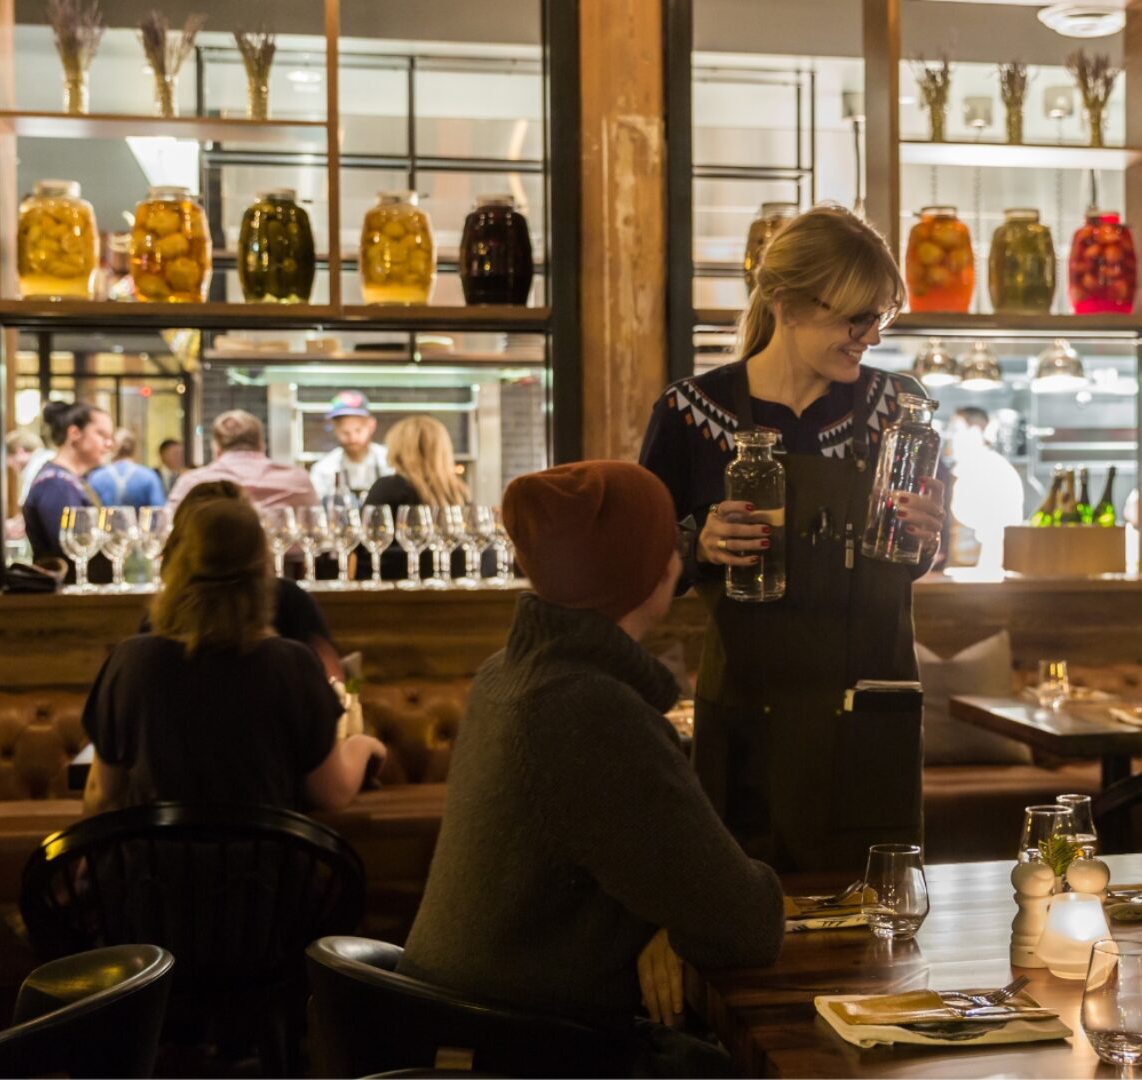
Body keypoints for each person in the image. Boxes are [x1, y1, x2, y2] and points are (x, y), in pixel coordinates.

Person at [399, 461, 782, 1074]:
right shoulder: (586, 709)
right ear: (644, 568)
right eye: (667, 540)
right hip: (531, 1053)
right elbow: (745, 924)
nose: (678, 553)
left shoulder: (508, 674)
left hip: (454, 1036)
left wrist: (665, 920)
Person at [639, 204, 945, 872]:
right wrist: (699, 544)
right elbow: (643, 565)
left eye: (881, 318)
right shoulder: (689, 413)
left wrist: (927, 537)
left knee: (877, 912)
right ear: (786, 303)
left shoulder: (902, 412)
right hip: (749, 716)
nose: (871, 337)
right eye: (855, 318)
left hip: (872, 713)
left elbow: (920, 553)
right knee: (744, 903)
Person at [81, 487, 386, 814]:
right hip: (265, 849)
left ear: (177, 567)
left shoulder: (130, 662)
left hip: (153, 849)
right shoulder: (294, 664)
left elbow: (100, 795)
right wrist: (363, 746)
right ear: (263, 571)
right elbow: (331, 794)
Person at [137, 480, 346, 682]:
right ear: (257, 549)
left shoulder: (139, 655)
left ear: (178, 549)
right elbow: (333, 682)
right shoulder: (291, 636)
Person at [361, 415, 469, 580]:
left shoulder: (388, 487)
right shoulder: (459, 493)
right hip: (453, 588)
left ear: (398, 450)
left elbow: (365, 550)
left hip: (395, 588)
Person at [165, 410, 317, 515]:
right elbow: (316, 533)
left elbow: (167, 534)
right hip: (283, 555)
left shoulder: (192, 482)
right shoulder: (298, 479)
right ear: (261, 445)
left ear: (216, 449)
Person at [23, 400, 113, 571]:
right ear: (74, 433)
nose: (109, 444)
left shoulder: (67, 479)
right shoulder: (56, 483)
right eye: (102, 434)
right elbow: (71, 551)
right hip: (69, 587)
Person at [945, 407, 1024, 573]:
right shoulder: (966, 471)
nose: (950, 438)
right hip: (963, 571)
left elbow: (996, 536)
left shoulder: (991, 471)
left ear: (975, 432)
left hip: (981, 573)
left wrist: (986, 575)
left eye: (956, 431)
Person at [310, 390, 392, 502]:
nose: (353, 438)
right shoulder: (323, 470)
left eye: (358, 430)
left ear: (372, 426)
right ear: (335, 429)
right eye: (345, 432)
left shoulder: (391, 464)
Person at [88, 429, 166, 509]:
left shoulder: (96, 477)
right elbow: (158, 510)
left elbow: (89, 510)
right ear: (134, 449)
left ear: (113, 447)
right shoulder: (149, 476)